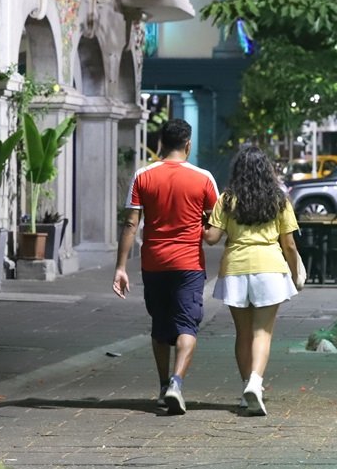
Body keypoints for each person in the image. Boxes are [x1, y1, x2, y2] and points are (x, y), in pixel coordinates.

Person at [113, 119, 218, 415]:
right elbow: (214, 227)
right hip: (189, 264)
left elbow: (131, 224)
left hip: (154, 262)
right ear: (188, 144)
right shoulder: (204, 178)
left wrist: (121, 267)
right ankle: (176, 382)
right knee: (187, 324)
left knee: (160, 325)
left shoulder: (143, 176)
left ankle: (162, 386)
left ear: (160, 143)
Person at [203, 145, 302, 416]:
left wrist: (201, 224)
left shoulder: (226, 199)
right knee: (262, 332)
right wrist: (294, 274)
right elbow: (290, 245)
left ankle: (248, 386)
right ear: (266, 170)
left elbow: (211, 238)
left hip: (235, 267)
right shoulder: (279, 200)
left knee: (243, 333)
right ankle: (256, 383)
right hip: (270, 268)